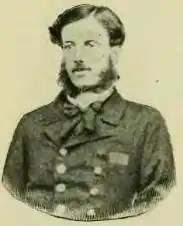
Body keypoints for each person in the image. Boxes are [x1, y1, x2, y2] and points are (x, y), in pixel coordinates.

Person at [2, 4, 176, 221]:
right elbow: (7, 205)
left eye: (90, 45)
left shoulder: (146, 123)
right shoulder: (32, 125)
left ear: (115, 52)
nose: (77, 57)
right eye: (69, 46)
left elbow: (159, 209)